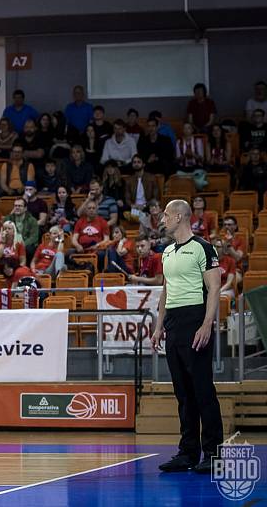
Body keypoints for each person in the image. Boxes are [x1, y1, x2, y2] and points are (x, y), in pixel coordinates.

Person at [152, 200, 223, 474]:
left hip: (196, 320)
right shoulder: (167, 252)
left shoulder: (204, 248)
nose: (162, 220)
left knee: (203, 390)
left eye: (166, 216)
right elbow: (165, 291)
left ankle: (214, 454)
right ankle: (188, 452)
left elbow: (214, 288)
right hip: (173, 323)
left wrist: (207, 324)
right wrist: (159, 326)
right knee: (183, 392)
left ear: (180, 217)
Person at [124, 154, 160, 219]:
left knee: (154, 208)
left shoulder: (151, 178)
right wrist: (133, 205)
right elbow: (127, 198)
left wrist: (144, 205)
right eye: (134, 162)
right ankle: (142, 216)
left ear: (143, 164)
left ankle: (139, 216)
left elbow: (156, 197)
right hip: (134, 208)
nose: (136, 164)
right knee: (122, 211)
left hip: (147, 207)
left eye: (138, 162)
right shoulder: (129, 180)